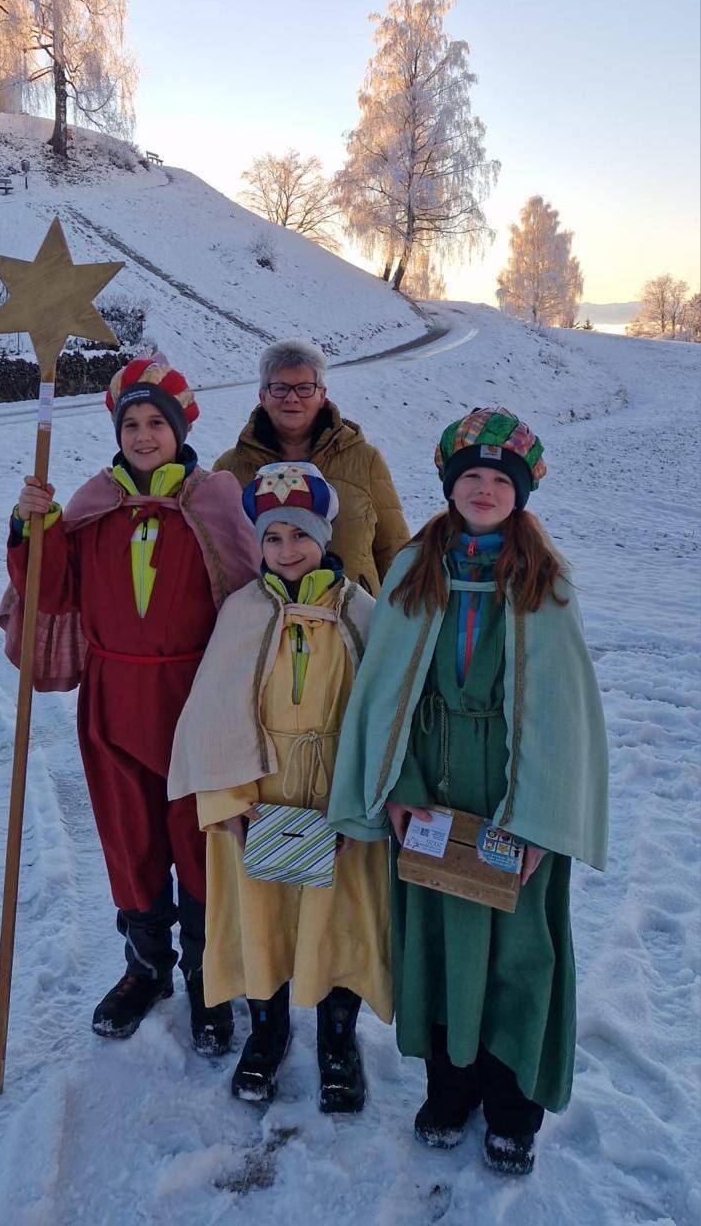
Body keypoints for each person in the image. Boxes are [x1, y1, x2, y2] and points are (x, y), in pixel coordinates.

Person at [327, 407, 608, 1176]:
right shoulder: (417, 566)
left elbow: (560, 716)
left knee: (519, 952)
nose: (483, 490)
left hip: (515, 795)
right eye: (470, 477)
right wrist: (398, 788)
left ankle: (511, 1105)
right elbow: (388, 692)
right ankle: (448, 1089)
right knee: (437, 944)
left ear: (521, 492)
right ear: (449, 485)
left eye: (499, 479)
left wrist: (535, 824)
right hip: (430, 790)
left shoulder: (543, 585)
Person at [0, 355, 260, 1054]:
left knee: (200, 845)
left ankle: (210, 980)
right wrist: (36, 530)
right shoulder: (91, 506)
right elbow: (54, 595)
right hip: (113, 702)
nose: (143, 436)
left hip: (194, 704)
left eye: (156, 424)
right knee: (129, 842)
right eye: (132, 424)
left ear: (179, 429)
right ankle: (145, 970)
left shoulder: (214, 501)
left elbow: (247, 594)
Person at [169, 463, 391, 1113]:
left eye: (299, 535)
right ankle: (266, 1035)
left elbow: (381, 715)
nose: (286, 550)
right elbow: (211, 714)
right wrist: (227, 805)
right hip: (258, 796)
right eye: (271, 538)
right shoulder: (243, 612)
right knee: (259, 918)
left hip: (334, 799)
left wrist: (360, 808)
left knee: (338, 921)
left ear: (323, 534)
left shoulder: (358, 613)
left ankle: (337, 1045)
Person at [213, 338, 408, 595]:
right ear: (263, 396)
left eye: (304, 388)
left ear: (321, 394)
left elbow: (394, 550)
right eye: (280, 388)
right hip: (263, 624)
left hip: (354, 622)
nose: (292, 398)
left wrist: (399, 622)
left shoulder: (365, 460)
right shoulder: (230, 468)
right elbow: (216, 553)